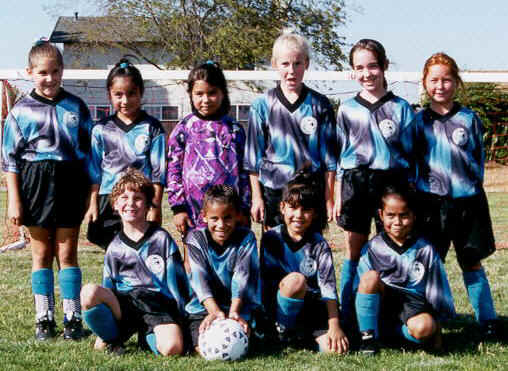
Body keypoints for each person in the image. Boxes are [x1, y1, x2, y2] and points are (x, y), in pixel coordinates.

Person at [1, 39, 92, 341]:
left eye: (55, 71)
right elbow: (10, 160)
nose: (49, 78)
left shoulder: (76, 106)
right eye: (42, 72)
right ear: (29, 72)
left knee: (67, 251)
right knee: (41, 252)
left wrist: (91, 195)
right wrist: (14, 200)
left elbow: (90, 153)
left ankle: (73, 318)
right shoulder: (20, 110)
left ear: (62, 71)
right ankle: (44, 318)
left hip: (70, 181)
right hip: (34, 183)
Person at [413, 52, 499, 338]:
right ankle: (429, 315)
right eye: (434, 80)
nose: (440, 86)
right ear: (424, 83)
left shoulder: (469, 118)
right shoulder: (417, 122)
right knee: (430, 261)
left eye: (447, 80)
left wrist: (469, 191)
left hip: (467, 203)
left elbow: (477, 157)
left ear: (456, 82)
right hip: (430, 205)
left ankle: (487, 319)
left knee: (471, 260)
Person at [333, 39, 416, 322]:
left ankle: (389, 310)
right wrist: (337, 194)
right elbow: (340, 155)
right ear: (352, 72)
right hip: (356, 183)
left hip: (391, 184)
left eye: (372, 66)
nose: (366, 73)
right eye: (359, 68)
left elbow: (410, 154)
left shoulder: (402, 108)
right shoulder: (346, 109)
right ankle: (347, 311)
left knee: (389, 248)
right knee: (354, 249)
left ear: (384, 67)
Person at [80, 169, 188, 356]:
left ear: (148, 205)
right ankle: (113, 338)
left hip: (156, 306)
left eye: (137, 198)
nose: (130, 203)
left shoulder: (161, 239)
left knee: (172, 348)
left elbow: (178, 285)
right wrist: (104, 326)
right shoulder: (114, 247)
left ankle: (147, 334)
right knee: (88, 293)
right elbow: (108, 289)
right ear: (115, 204)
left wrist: (182, 320)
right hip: (126, 305)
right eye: (123, 197)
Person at [244, 32, 337, 231]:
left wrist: (329, 199)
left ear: (307, 64)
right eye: (285, 64)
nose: (291, 70)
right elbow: (253, 160)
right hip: (274, 191)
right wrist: (257, 198)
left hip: (310, 192)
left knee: (309, 254)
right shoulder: (262, 105)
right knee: (275, 254)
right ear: (274, 64)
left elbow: (329, 161)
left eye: (297, 63)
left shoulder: (320, 105)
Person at [354, 184, 455, 355]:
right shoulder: (373, 247)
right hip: (383, 300)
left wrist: (436, 334)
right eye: (391, 215)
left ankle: (393, 335)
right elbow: (361, 288)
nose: (397, 222)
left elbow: (437, 293)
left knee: (424, 327)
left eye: (404, 216)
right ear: (381, 215)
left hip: (413, 305)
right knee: (370, 278)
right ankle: (368, 340)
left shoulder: (426, 250)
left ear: (413, 215)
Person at [261, 172, 349, 354]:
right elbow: (264, 284)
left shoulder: (319, 244)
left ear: (314, 213)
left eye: (306, 209)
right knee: (296, 280)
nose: (298, 215)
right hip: (280, 307)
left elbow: (328, 288)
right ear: (282, 208)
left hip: (311, 308)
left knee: (335, 351)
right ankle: (283, 333)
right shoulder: (271, 238)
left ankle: (303, 336)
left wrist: (334, 325)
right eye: (293, 208)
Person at [86, 58, 166, 250]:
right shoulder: (100, 129)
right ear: (109, 95)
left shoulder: (152, 127)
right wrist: (93, 203)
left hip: (139, 199)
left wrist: (154, 206)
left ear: (141, 93)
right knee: (113, 251)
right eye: (118, 95)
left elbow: (158, 172)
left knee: (140, 249)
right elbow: (94, 171)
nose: (125, 100)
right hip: (109, 198)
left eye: (131, 94)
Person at [167, 61, 250, 237]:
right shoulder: (183, 128)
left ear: (222, 93)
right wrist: (178, 208)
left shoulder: (235, 130)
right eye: (199, 94)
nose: (205, 100)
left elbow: (245, 172)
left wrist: (244, 207)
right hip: (193, 212)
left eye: (212, 93)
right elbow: (173, 170)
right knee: (194, 260)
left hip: (229, 216)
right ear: (191, 94)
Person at [183, 185, 261, 356]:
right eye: (214, 218)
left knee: (242, 347)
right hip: (204, 308)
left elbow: (242, 278)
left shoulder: (246, 238)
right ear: (204, 217)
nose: (221, 225)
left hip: (237, 307)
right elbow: (199, 279)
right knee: (206, 350)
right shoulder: (195, 239)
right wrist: (215, 312)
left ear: (237, 216)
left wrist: (233, 313)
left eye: (227, 218)